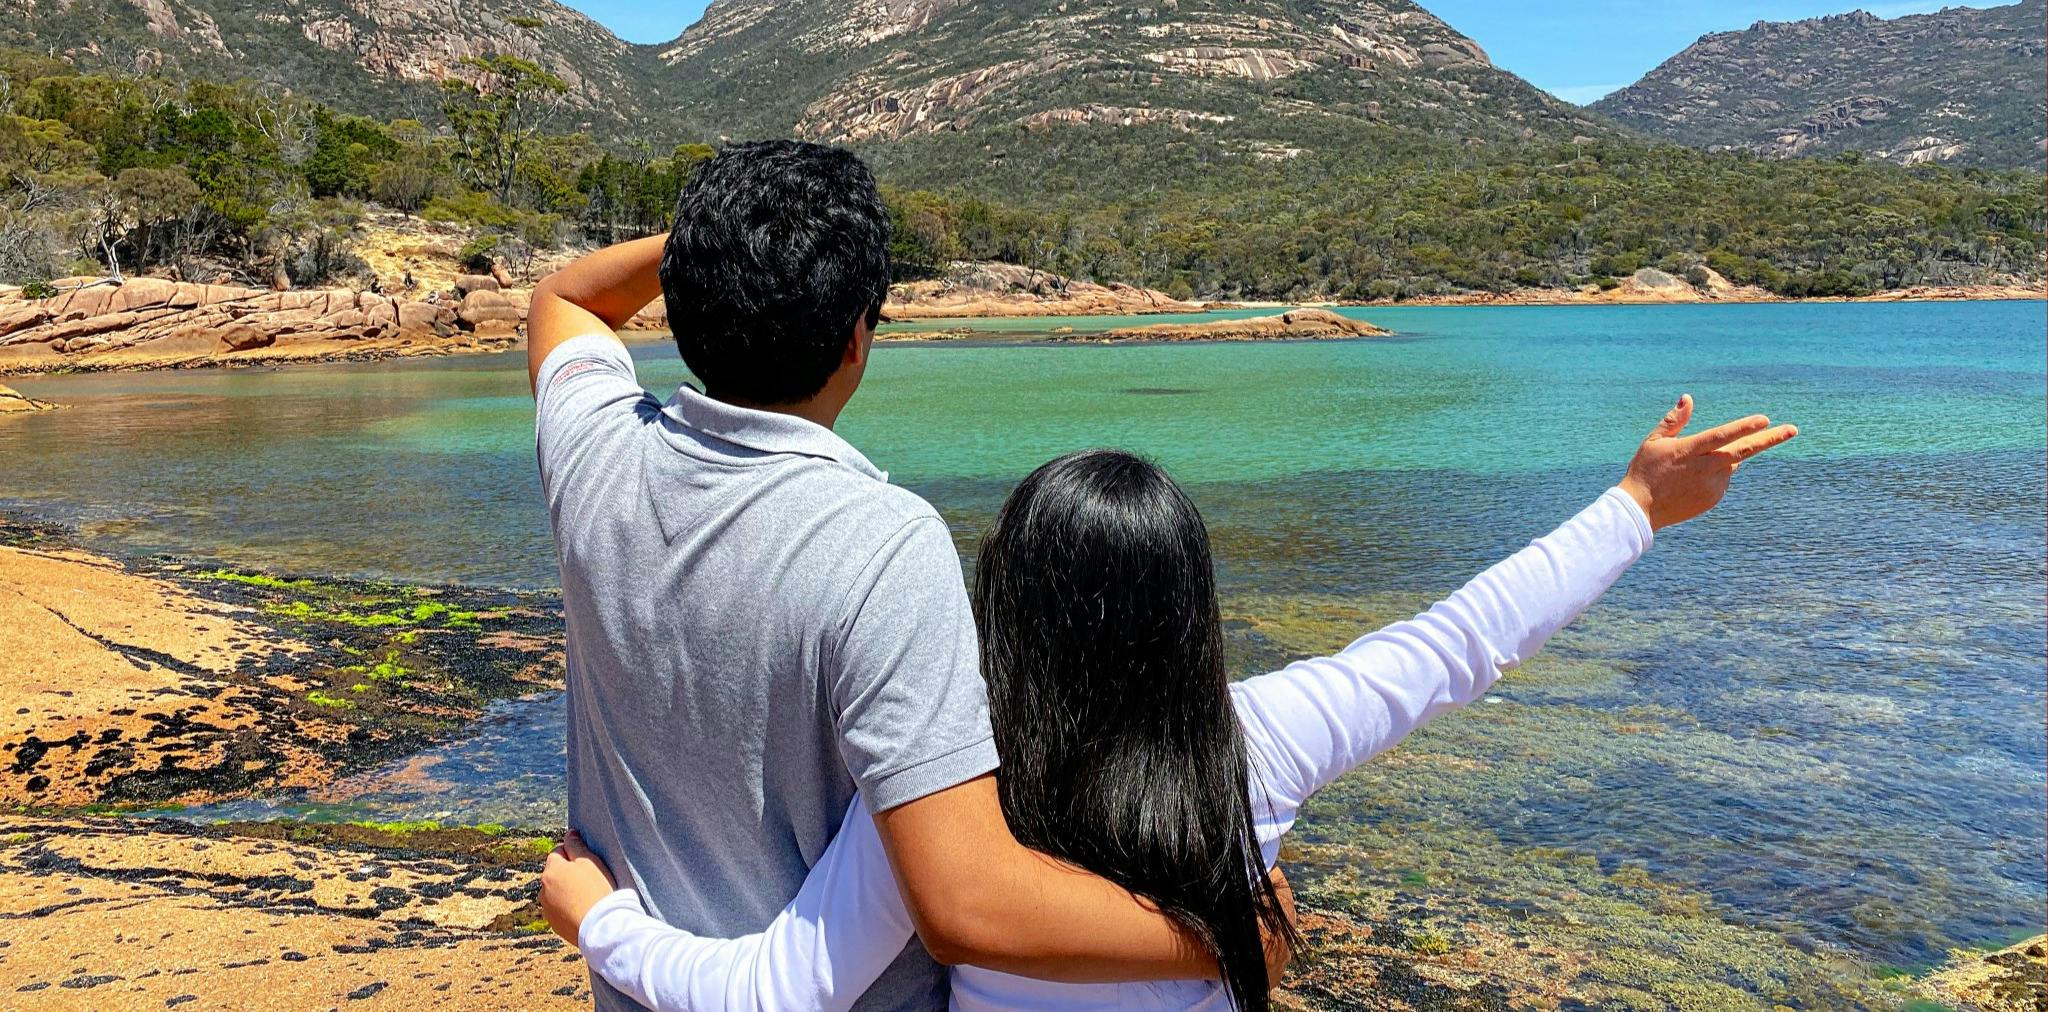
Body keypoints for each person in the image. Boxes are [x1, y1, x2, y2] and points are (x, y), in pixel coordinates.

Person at [537, 402, 1795, 1012]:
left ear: (1002, 598)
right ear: (1188, 599)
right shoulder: (1263, 738)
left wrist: (600, 921)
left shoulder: (944, 789)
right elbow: (1459, 642)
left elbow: (778, 988)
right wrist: (1633, 505)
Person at [528, 142, 1277, 1012]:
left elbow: (564, 296)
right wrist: (1232, 934)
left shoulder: (594, 457)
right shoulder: (884, 543)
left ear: (687, 298)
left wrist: (724, 244)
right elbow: (965, 906)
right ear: (857, 339)